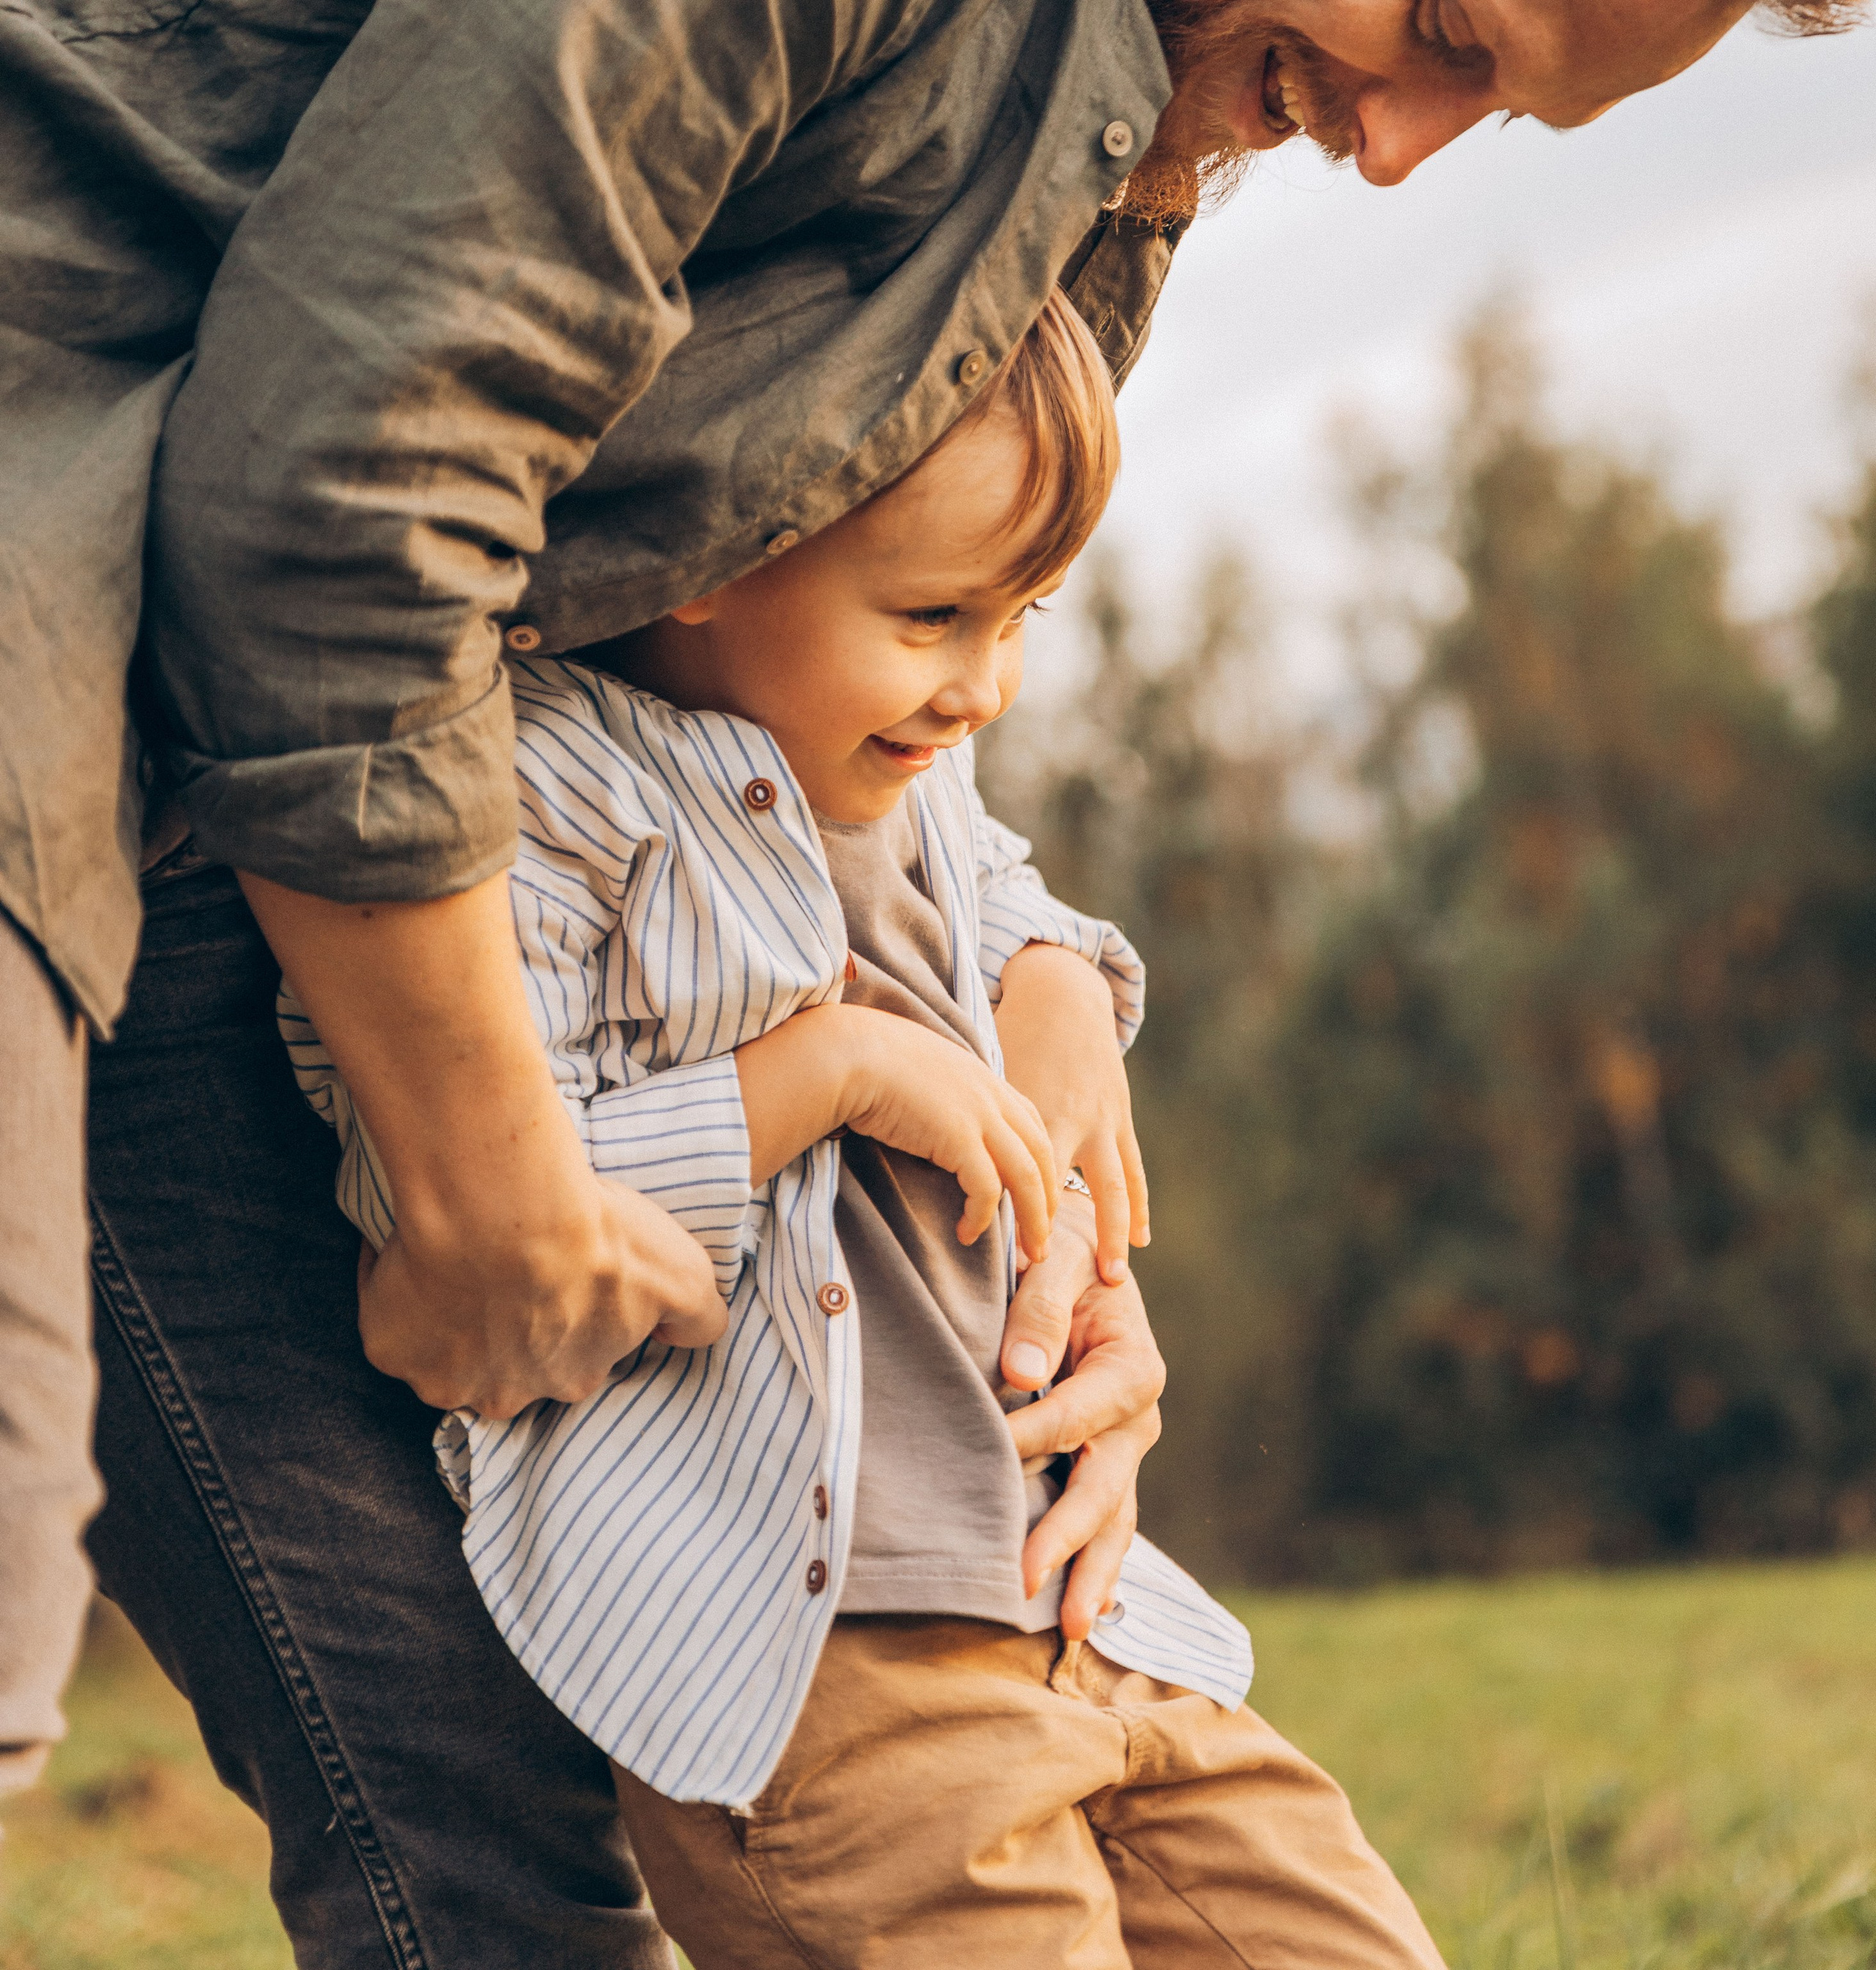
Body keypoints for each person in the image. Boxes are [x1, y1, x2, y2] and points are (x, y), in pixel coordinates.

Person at [1, 0, 1869, 1958]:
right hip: (77, 643)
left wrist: (1044, 1065)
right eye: (1445, 22)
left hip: (261, 802)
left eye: (1496, 114)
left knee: (490, 1827)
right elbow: (345, 475)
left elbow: (832, 682)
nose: (1399, 144)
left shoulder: (1136, 116)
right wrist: (483, 1177)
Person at [279, 291, 1442, 1969]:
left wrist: (1059, 978)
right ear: (715, 541)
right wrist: (819, 1074)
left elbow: (1004, 900)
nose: (983, 688)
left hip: (1083, 1607)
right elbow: (475, 1229)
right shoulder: (521, 804)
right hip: (833, 1674)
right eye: (933, 615)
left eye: (1022, 616)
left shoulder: (888, 766)